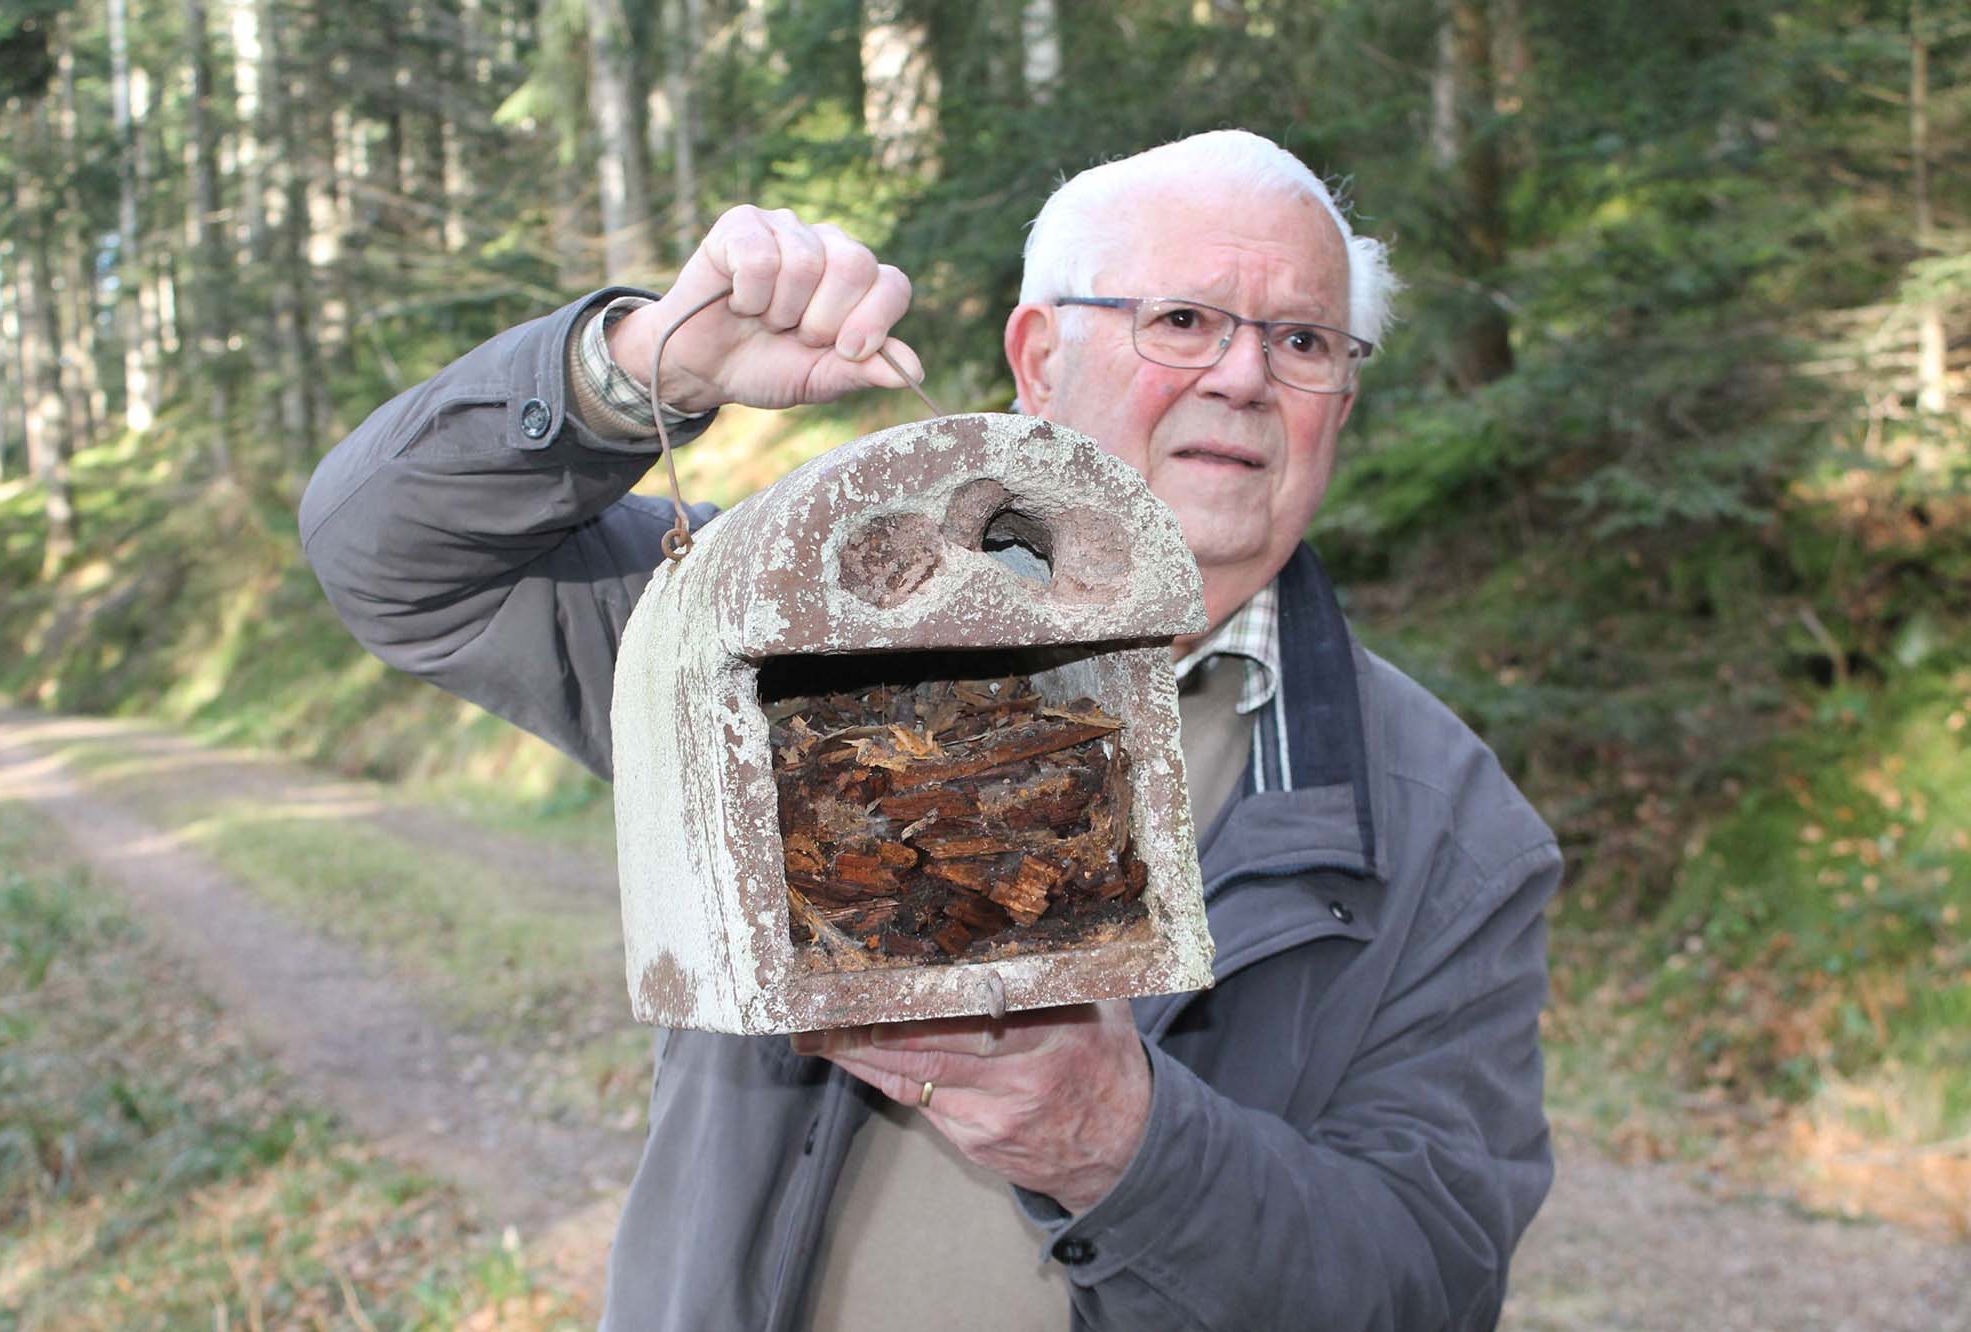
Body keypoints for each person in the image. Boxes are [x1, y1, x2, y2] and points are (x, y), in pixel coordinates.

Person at [301, 129, 1561, 1331]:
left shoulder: (1446, 825)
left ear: (1340, 397)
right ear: (1037, 355)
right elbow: (393, 558)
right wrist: (639, 371)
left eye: (1301, 339)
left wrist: (1123, 1144)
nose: (1241, 375)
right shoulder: (793, 631)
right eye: (1181, 320)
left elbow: (1427, 1284)